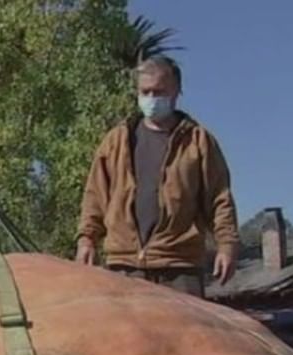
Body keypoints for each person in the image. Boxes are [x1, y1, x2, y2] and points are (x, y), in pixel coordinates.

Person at [74, 55, 240, 297]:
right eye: (145, 91)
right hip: (124, 267)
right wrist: (86, 240)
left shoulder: (198, 141)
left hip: (179, 268)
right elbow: (95, 196)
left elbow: (219, 198)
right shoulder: (117, 140)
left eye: (159, 92)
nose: (151, 98)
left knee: (185, 335)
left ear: (176, 91)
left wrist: (227, 245)